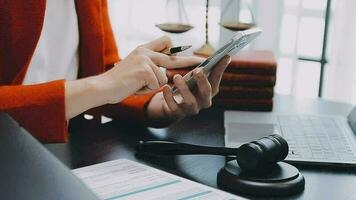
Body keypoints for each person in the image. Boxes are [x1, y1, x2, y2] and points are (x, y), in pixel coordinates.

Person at [0, 0, 230, 143]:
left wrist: (158, 104)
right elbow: (103, 83)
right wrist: (103, 84)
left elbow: (102, 71)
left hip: (63, 152)